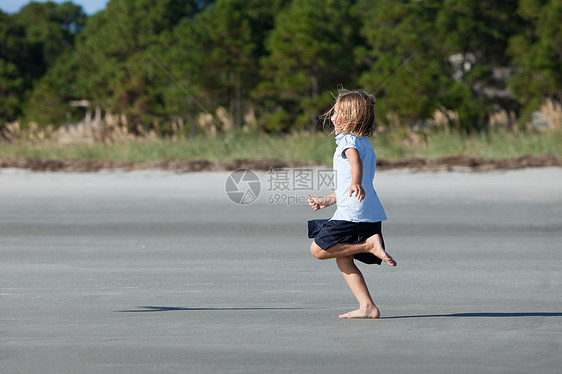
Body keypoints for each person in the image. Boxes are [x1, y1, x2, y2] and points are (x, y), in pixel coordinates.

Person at [307, 89, 396, 319]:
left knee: (318, 249)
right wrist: (327, 200)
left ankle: (368, 246)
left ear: (350, 117)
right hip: (368, 210)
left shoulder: (348, 141)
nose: (332, 117)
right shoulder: (365, 143)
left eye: (336, 113)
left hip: (353, 212)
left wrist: (355, 180)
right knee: (342, 257)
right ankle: (367, 306)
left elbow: (355, 166)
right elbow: (352, 184)